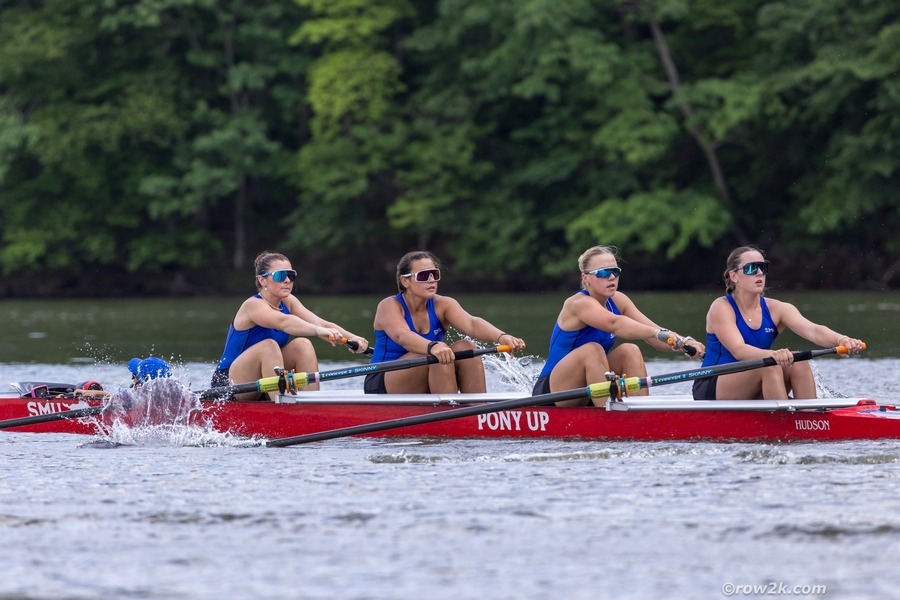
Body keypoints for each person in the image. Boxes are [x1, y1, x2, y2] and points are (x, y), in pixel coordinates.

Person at [532, 245, 704, 405]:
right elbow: (615, 324)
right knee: (592, 349)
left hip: (592, 385)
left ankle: (641, 412)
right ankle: (608, 414)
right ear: (586, 278)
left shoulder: (619, 301)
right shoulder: (577, 304)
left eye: (615, 271)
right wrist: (659, 333)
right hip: (554, 390)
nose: (612, 277)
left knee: (630, 351)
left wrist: (684, 342)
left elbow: (654, 334)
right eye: (603, 273)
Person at [692, 245, 865, 401]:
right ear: (734, 276)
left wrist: (841, 339)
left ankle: (810, 419)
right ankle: (783, 425)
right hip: (713, 382)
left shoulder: (778, 309)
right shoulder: (721, 308)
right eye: (752, 268)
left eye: (763, 267)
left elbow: (814, 330)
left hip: (758, 373)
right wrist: (774, 354)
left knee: (799, 361)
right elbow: (739, 350)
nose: (759, 273)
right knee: (770, 364)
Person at [212, 251, 369, 401]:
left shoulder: (288, 301)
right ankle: (282, 407)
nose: (287, 280)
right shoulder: (252, 306)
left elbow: (321, 323)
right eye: (280, 276)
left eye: (291, 275)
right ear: (262, 280)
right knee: (268, 346)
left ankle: (311, 405)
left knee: (303, 345)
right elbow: (284, 322)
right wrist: (317, 331)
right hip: (230, 385)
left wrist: (352, 338)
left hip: (267, 378)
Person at [363, 251, 526, 394]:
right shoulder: (389, 306)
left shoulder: (443, 304)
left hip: (431, 366)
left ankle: (477, 411)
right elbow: (402, 335)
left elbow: (472, 323)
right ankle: (450, 416)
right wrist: (432, 346)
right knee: (434, 353)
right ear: (405, 281)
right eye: (423, 275)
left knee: (466, 347)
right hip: (383, 378)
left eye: (435, 274)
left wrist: (501, 337)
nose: (431, 280)